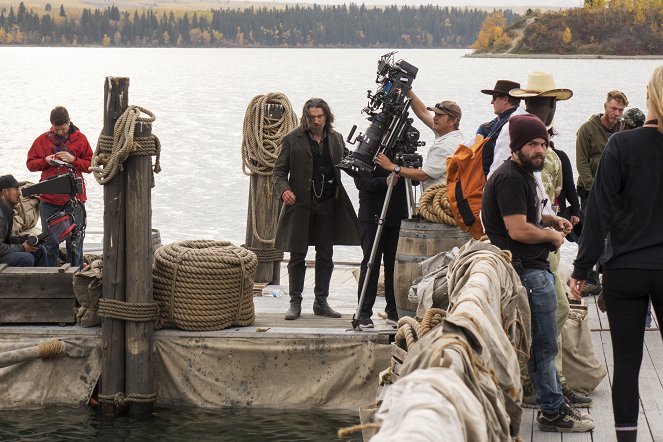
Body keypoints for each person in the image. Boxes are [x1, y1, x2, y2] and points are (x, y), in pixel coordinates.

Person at [481, 114, 593, 433]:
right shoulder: (512, 177)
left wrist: (549, 220)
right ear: (516, 146)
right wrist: (552, 237)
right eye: (532, 144)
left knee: (542, 345)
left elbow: (526, 216)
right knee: (544, 347)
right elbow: (517, 230)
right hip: (527, 272)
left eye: (543, 144)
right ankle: (552, 411)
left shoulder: (523, 174)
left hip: (533, 269)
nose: (539, 150)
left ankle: (552, 401)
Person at [570, 66, 663, 442]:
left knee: (626, 363)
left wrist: (581, 267)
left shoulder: (621, 145)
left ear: (649, 95)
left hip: (625, 269)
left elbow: (599, 213)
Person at [507, 73, 592, 410]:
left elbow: (550, 196)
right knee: (549, 315)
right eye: (548, 102)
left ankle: (553, 382)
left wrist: (560, 217)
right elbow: (520, 216)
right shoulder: (518, 145)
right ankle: (539, 386)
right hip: (532, 248)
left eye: (553, 102)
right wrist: (547, 229)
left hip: (546, 243)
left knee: (551, 316)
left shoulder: (544, 149)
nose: (551, 108)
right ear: (535, 103)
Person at [273, 98, 360, 320]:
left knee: (326, 254)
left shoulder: (336, 138)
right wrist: (284, 190)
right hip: (300, 205)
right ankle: (295, 302)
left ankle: (321, 302)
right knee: (297, 254)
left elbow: (350, 164)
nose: (316, 121)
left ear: (327, 117)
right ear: (306, 117)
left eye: (320, 116)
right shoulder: (292, 139)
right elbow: (279, 172)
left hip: (328, 204)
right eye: (312, 117)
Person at [575, 90, 629, 296]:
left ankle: (609, 276)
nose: (617, 113)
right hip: (590, 192)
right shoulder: (587, 129)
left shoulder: (624, 130)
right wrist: (594, 189)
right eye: (614, 108)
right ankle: (589, 279)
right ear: (605, 106)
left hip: (615, 193)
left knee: (614, 235)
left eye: (620, 110)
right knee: (591, 233)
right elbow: (581, 163)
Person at [26, 106, 93, 267]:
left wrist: (73, 160)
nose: (60, 132)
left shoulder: (81, 139)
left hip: (74, 200)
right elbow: (30, 164)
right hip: (49, 201)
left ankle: (76, 277)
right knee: (50, 243)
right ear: (51, 125)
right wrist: (46, 161)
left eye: (63, 129)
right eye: (57, 130)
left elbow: (91, 165)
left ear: (69, 122)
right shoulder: (42, 140)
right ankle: (50, 278)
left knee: (75, 242)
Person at [354, 152, 408, 328]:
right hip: (371, 216)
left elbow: (414, 180)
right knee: (371, 263)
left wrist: (408, 167)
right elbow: (360, 182)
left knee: (394, 266)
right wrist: (383, 182)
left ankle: (394, 311)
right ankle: (363, 313)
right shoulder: (369, 148)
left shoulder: (403, 148)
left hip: (398, 215)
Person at [375, 89, 464, 190]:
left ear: (453, 121)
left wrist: (392, 166)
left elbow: (424, 175)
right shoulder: (451, 134)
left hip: (440, 201)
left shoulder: (446, 145)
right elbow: (423, 113)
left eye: (440, 115)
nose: (435, 118)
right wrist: (408, 90)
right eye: (435, 114)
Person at [0, 175, 48, 267]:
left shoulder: (7, 211)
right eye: (16, 189)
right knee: (26, 258)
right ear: (5, 192)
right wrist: (22, 248)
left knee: (40, 250)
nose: (19, 193)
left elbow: (6, 240)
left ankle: (42, 280)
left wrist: (25, 238)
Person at [477, 79, 521, 176]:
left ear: (505, 99)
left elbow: (498, 161)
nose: (492, 102)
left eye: (494, 98)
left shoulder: (506, 125)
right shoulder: (520, 119)